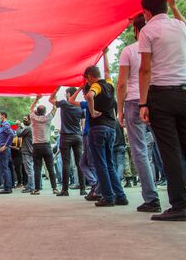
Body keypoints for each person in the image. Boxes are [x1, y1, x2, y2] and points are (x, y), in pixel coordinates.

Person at [138, 0, 186, 220]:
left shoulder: (147, 31)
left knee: (170, 153)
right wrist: (175, 7)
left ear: (146, 12)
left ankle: (179, 206)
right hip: (185, 95)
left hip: (161, 96)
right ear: (166, 8)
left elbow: (145, 70)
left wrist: (143, 102)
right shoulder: (179, 27)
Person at [116, 13, 161, 212]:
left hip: (134, 101)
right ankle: (181, 196)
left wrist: (120, 110)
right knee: (167, 148)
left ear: (136, 30)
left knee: (140, 151)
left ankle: (151, 198)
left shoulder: (129, 51)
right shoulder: (159, 46)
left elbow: (121, 84)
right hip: (158, 98)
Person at [84, 63, 128, 207]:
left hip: (98, 128)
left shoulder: (96, 86)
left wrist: (91, 112)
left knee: (100, 164)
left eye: (87, 79)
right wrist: (105, 54)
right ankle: (120, 196)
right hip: (111, 129)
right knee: (109, 164)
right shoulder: (109, 84)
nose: (87, 82)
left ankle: (108, 197)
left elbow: (89, 96)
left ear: (91, 77)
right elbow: (108, 71)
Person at [49, 86, 86, 196]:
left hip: (65, 136)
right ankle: (82, 189)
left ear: (69, 94)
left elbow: (50, 100)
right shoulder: (80, 106)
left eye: (66, 93)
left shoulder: (64, 104)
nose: (65, 95)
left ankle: (65, 190)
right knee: (79, 163)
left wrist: (56, 89)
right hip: (78, 136)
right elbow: (83, 123)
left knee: (66, 163)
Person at [30, 94, 58, 195]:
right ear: (45, 112)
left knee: (37, 168)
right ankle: (54, 188)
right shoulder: (48, 118)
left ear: (37, 111)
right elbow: (55, 109)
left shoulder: (33, 118)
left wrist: (37, 99)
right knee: (50, 168)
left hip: (36, 146)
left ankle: (37, 189)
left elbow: (31, 108)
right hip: (46, 146)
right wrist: (54, 99)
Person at [0, 112, 14, 194]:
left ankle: (7, 188)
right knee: (4, 168)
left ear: (3, 116)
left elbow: (11, 134)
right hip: (1, 148)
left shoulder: (5, 124)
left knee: (4, 168)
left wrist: (5, 146)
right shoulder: (2, 126)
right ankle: (8, 187)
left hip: (3, 149)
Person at [17, 115, 34, 193]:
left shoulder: (28, 128)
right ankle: (30, 185)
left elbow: (19, 134)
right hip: (30, 150)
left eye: (25, 119)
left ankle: (31, 187)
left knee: (29, 170)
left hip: (27, 151)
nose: (24, 121)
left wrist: (19, 125)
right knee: (30, 169)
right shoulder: (32, 127)